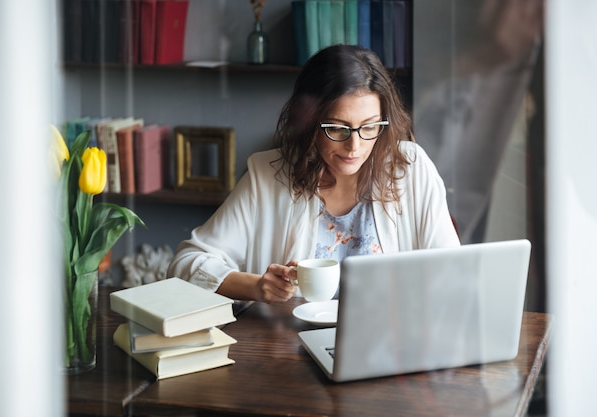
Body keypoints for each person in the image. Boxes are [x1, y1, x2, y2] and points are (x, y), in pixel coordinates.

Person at [167, 45, 460, 303]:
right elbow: (185, 264)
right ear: (309, 124)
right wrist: (257, 286)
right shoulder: (268, 177)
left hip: (388, 342)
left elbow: (451, 271)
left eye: (369, 126)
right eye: (336, 128)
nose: (354, 146)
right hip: (287, 347)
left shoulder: (410, 168)